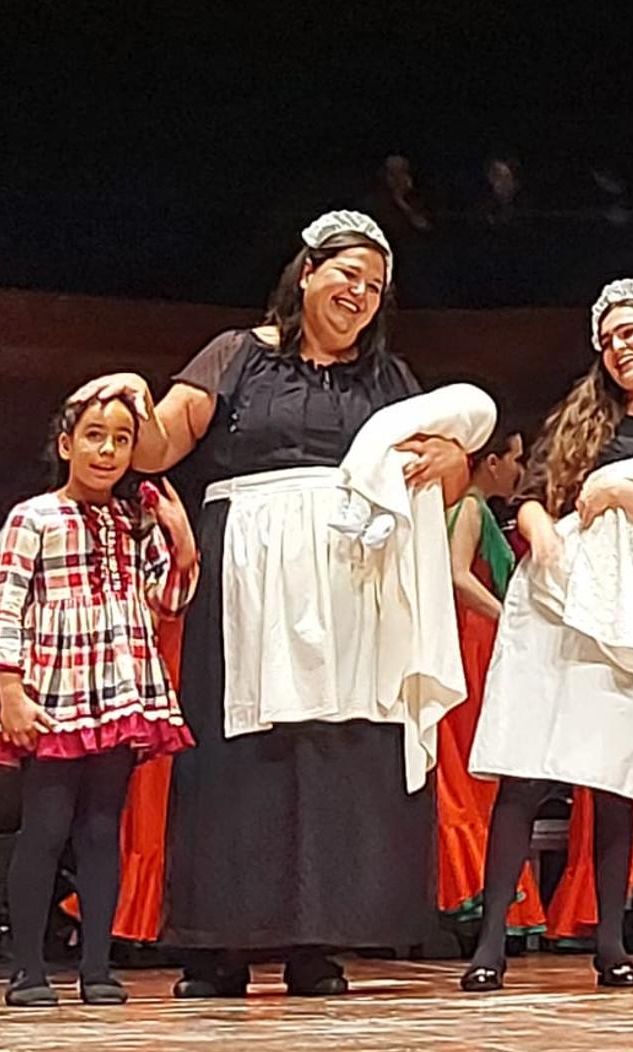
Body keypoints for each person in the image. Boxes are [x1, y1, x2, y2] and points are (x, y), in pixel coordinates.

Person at [72, 210, 474, 998]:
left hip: (354, 587)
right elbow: (159, 447)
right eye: (346, 276)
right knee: (240, 756)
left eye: (374, 286)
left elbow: (444, 487)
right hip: (248, 578)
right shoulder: (235, 356)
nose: (358, 294)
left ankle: (314, 942)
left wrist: (451, 456)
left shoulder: (391, 383)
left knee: (337, 751)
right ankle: (220, 944)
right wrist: (130, 401)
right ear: (308, 273)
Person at [463, 278, 633, 992]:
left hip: (629, 618)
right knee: (524, 772)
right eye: (608, 338)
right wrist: (542, 526)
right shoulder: (581, 417)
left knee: (611, 778)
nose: (619, 348)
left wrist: (619, 491)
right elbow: (530, 499)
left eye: (631, 333)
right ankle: (490, 944)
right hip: (551, 603)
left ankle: (610, 943)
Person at [0, 392, 197, 1006]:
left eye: (122, 439)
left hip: (119, 686)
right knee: (45, 827)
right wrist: (10, 689)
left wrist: (181, 545)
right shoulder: (33, 518)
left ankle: (97, 968)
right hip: (54, 687)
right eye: (95, 435)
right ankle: (27, 970)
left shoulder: (134, 521)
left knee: (103, 829)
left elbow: (169, 602)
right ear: (66, 444)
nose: (107, 450)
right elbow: (6, 607)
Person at [436, 429, 548, 942]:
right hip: (473, 641)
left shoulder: (471, 508)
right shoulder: (472, 508)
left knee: (475, 774)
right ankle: (476, 896)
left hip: (473, 638)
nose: (519, 471)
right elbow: (457, 574)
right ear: (492, 462)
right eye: (515, 460)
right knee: (475, 773)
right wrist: (508, 619)